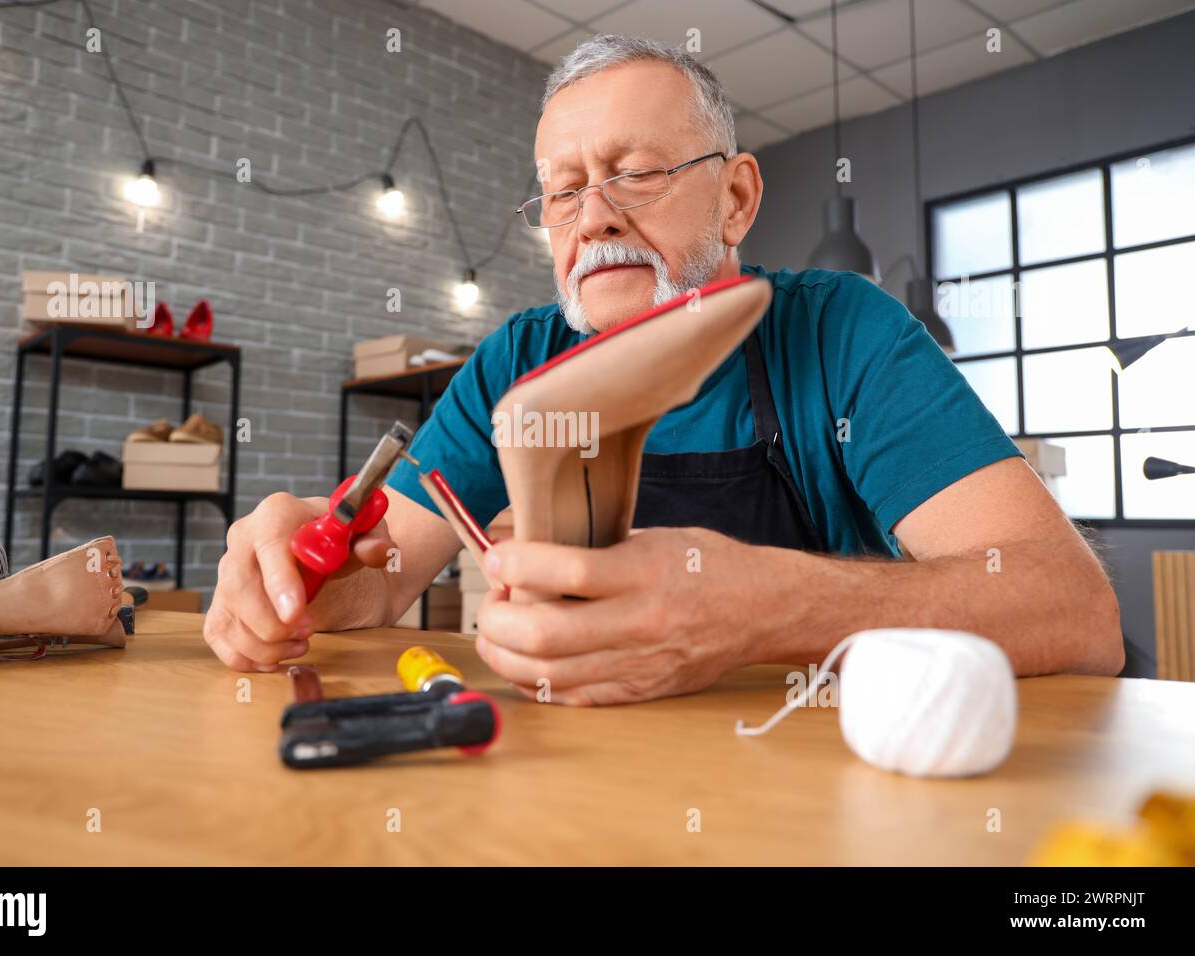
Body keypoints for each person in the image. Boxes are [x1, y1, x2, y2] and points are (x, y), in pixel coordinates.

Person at [203, 34, 1123, 703]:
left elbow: (1075, 611)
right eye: (562, 193)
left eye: (634, 173)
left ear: (735, 198)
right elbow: (385, 573)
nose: (592, 219)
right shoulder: (516, 360)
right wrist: (298, 585)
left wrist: (767, 605)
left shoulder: (844, 332)